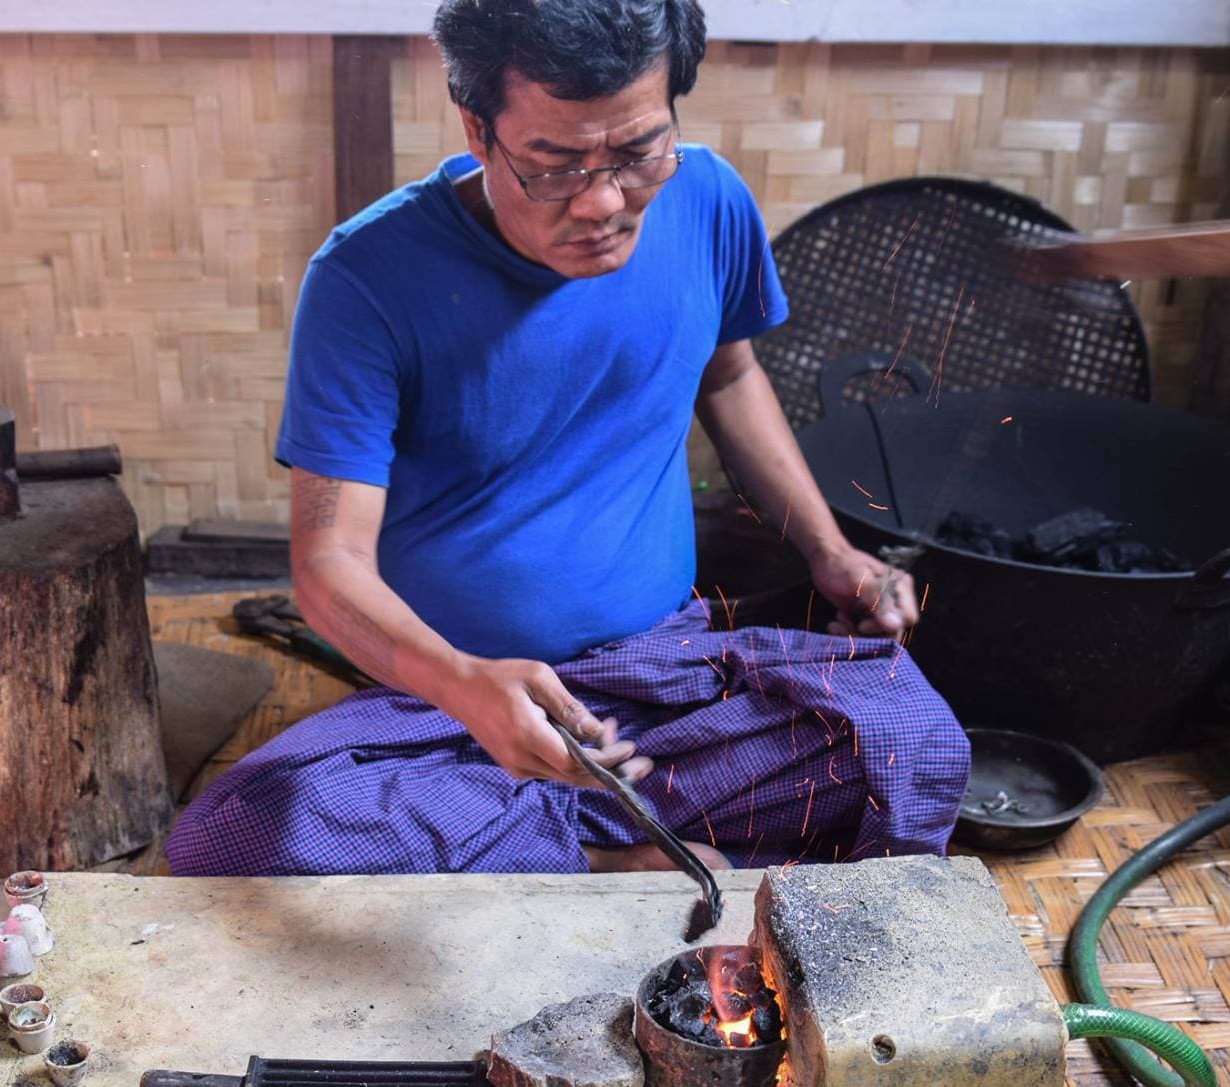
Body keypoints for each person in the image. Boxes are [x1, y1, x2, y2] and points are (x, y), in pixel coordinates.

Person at [166, 0, 967, 878]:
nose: (603, 202)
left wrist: (829, 551)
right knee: (248, 834)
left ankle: (550, 858)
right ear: (477, 128)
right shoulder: (366, 280)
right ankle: (612, 862)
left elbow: (729, 376)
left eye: (636, 154)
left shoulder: (707, 202)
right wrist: (467, 684)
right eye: (553, 164)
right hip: (450, 715)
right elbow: (327, 569)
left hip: (668, 681)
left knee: (908, 730)